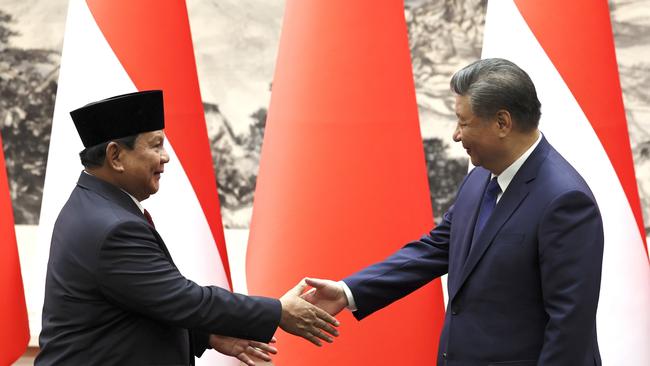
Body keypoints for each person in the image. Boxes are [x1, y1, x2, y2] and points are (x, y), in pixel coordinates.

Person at [303, 58, 604, 366]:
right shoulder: (480, 177)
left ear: (502, 123)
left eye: (463, 122)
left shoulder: (565, 200)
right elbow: (437, 247)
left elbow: (569, 329)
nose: (456, 136)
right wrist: (347, 291)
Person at [36, 90, 339, 366]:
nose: (166, 158)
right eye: (156, 146)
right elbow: (183, 298)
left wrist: (205, 335)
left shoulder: (94, 205)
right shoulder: (112, 226)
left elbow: (139, 303)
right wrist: (279, 312)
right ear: (116, 156)